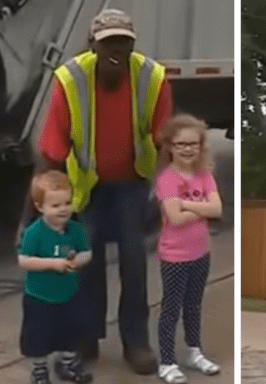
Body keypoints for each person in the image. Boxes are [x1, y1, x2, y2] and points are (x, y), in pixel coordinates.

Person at [36, 8, 173, 374]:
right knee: (86, 263)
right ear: (92, 45)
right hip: (88, 187)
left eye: (124, 43)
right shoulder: (69, 80)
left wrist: (159, 194)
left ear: (133, 47)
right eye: (108, 42)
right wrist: (36, 208)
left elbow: (166, 144)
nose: (116, 51)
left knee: (133, 263)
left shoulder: (152, 77)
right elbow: (51, 150)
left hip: (131, 184)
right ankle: (85, 339)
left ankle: (136, 341)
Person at [154, 114, 222, 383]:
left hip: (200, 253)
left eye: (193, 144)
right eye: (181, 144)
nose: (187, 149)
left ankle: (195, 351)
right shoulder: (167, 179)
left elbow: (217, 209)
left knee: (193, 305)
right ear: (170, 146)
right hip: (175, 256)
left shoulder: (204, 175)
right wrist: (201, 208)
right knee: (171, 308)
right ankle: (167, 361)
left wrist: (187, 205)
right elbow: (175, 218)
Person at [18, 170, 93, 384]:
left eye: (67, 203)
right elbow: (24, 260)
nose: (63, 209)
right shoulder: (35, 232)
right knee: (38, 338)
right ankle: (39, 370)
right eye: (55, 205)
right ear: (40, 207)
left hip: (69, 293)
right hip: (39, 297)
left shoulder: (75, 229)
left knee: (70, 332)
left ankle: (68, 363)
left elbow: (87, 252)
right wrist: (53, 264)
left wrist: (78, 260)